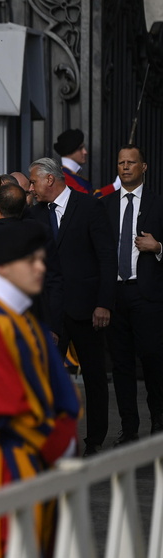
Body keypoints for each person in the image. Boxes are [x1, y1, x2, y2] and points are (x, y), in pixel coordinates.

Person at [0, 219, 80, 558]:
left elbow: (66, 397)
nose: (41, 267)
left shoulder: (29, 324)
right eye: (31, 260)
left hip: (40, 470)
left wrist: (63, 435)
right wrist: (59, 441)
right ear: (4, 267)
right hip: (3, 472)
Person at [29, 157, 116, 456]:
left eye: (34, 181)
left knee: (93, 376)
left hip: (86, 307)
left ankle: (94, 441)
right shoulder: (35, 214)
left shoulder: (89, 206)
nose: (31, 187)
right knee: (47, 377)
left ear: (49, 180)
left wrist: (103, 303)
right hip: (51, 312)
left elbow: (107, 257)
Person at [104, 145, 163, 443]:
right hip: (115, 294)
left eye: (131, 163)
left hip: (146, 293)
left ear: (144, 167)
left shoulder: (158, 203)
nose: (125, 167)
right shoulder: (105, 205)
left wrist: (159, 248)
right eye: (121, 163)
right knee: (121, 365)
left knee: (153, 359)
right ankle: (129, 430)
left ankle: (158, 424)